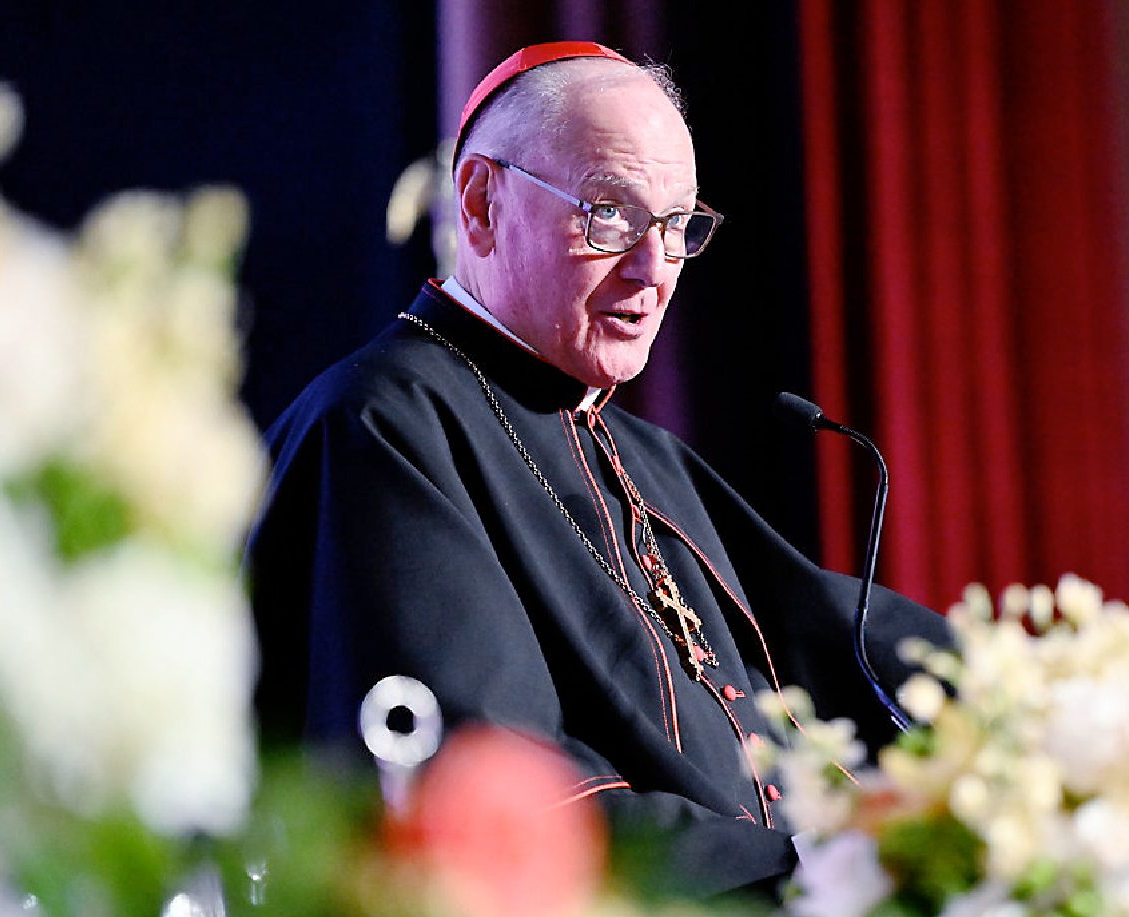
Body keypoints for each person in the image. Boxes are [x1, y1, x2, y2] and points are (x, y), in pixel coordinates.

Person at [246, 41, 947, 897]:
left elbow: (836, 638)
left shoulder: (645, 458)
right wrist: (803, 867)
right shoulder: (383, 422)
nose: (653, 269)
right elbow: (477, 783)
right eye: (607, 213)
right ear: (479, 205)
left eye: (678, 225)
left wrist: (1052, 712)